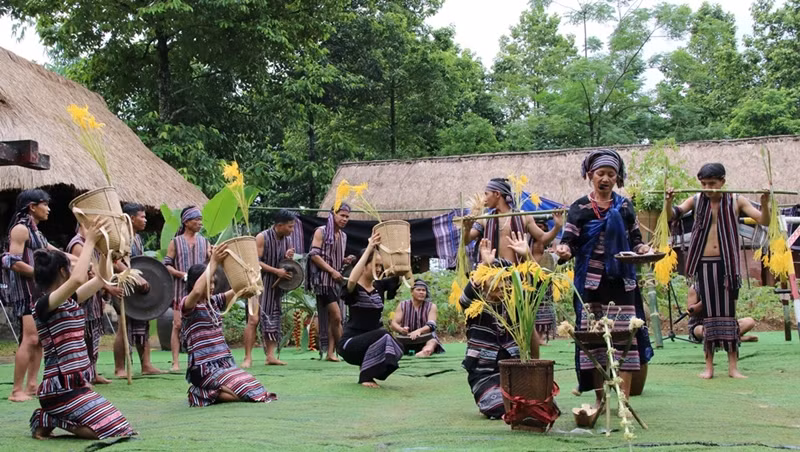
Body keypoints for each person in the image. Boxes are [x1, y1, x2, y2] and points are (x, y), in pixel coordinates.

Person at [555, 149, 649, 403]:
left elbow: (636, 239)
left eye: (611, 174)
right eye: (600, 173)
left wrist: (643, 249)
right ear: (590, 175)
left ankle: (624, 400)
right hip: (591, 285)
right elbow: (569, 242)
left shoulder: (625, 206)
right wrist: (563, 251)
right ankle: (600, 400)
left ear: (617, 178)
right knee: (594, 341)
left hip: (622, 283)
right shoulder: (580, 208)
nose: (605, 178)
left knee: (625, 339)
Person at [30, 218, 136, 440]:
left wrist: (107, 253)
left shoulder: (71, 299)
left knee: (120, 427)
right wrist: (88, 242)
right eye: (68, 267)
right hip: (58, 390)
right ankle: (49, 418)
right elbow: (78, 278)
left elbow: (102, 279)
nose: (73, 270)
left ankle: (51, 418)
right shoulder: (44, 305)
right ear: (62, 271)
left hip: (78, 385)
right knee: (109, 430)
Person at [667, 163, 769, 379]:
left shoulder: (735, 200)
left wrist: (765, 203)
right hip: (703, 263)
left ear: (722, 181)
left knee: (729, 315)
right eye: (704, 184)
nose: (708, 188)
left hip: (727, 265)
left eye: (712, 184)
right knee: (710, 316)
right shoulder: (695, 200)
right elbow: (673, 214)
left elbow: (764, 220)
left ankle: (733, 367)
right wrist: (668, 202)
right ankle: (709, 367)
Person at [179, 244, 276, 406]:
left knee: (256, 389)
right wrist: (213, 262)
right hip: (203, 369)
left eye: (213, 283)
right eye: (208, 283)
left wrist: (251, 274)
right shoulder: (188, 305)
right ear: (196, 283)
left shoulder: (215, 301)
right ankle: (198, 392)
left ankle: (207, 393)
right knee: (243, 395)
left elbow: (240, 290)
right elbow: (196, 292)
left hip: (223, 364)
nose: (211, 287)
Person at [3, 189, 75, 402]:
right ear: (32, 206)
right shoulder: (20, 229)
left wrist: (83, 261)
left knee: (40, 339)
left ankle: (33, 385)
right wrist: (40, 273)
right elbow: (11, 261)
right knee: (31, 338)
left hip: (38, 290)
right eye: (45, 204)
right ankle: (16, 390)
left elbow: (58, 254)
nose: (49, 208)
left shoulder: (38, 233)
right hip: (26, 291)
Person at [459, 236, 534, 419]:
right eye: (495, 280)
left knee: (539, 402)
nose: (501, 285)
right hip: (484, 375)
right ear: (485, 283)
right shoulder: (477, 307)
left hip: (514, 374)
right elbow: (464, 300)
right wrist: (484, 268)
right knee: (499, 405)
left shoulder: (517, 306)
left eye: (506, 281)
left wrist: (527, 258)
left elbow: (536, 288)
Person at [338, 232, 402, 388]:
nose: (379, 269)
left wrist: (401, 249)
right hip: (350, 344)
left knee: (398, 347)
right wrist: (369, 248)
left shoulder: (379, 286)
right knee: (384, 334)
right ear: (364, 265)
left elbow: (400, 274)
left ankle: (370, 369)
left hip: (372, 341)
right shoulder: (354, 288)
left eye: (380, 266)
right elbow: (352, 279)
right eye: (375, 265)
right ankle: (365, 376)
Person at [113, 203, 165, 376]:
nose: (145, 220)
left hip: (138, 288)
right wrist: (134, 277)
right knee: (123, 325)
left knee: (144, 322)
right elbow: (114, 261)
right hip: (123, 285)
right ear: (131, 218)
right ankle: (119, 368)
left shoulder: (137, 238)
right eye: (142, 217)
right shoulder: (120, 236)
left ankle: (146, 365)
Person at [463, 178, 563, 264]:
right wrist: (467, 229)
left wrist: (557, 226)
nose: (485, 199)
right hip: (492, 276)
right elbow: (466, 241)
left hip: (517, 276)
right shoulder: (484, 219)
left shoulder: (523, 217)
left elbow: (543, 238)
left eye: (487, 194)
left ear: (497, 194)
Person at [242, 209, 296, 368]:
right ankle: (247, 357)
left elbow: (283, 262)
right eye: (290, 227)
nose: (292, 230)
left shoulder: (287, 239)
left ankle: (270, 356)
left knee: (273, 318)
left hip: (275, 286)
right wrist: (275, 271)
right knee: (253, 320)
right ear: (279, 225)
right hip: (256, 283)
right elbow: (255, 261)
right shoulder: (262, 237)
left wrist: (287, 257)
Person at [164, 206, 210, 371]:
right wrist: (181, 274)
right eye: (196, 220)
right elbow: (166, 265)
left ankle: (199, 361)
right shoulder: (175, 242)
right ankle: (175, 363)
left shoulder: (205, 242)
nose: (199, 223)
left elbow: (210, 263)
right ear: (186, 222)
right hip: (180, 289)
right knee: (177, 325)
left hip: (201, 291)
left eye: (200, 219)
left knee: (199, 324)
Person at [307, 204, 355, 361]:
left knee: (336, 318)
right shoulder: (321, 231)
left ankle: (331, 353)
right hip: (322, 281)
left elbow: (333, 257)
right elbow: (314, 255)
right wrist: (331, 271)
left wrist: (344, 260)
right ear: (333, 214)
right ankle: (343, 351)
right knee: (336, 315)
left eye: (347, 216)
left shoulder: (343, 236)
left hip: (336, 281)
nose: (344, 219)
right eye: (342, 215)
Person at [67, 225, 113, 385]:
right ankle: (82, 375)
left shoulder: (92, 245)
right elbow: (87, 273)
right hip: (82, 299)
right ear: (83, 226)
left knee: (93, 338)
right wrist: (108, 288)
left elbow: (99, 272)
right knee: (83, 339)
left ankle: (92, 372)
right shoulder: (78, 245)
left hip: (93, 299)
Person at [687, 284, 758, 344]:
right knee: (700, 331)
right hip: (701, 324)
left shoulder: (725, 285)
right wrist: (706, 300)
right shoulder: (695, 288)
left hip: (721, 324)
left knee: (749, 321)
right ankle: (737, 339)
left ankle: (724, 338)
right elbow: (690, 313)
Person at [389, 279, 444, 357]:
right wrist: (401, 329)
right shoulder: (402, 305)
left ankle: (425, 351)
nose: (421, 292)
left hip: (425, 338)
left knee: (432, 341)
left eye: (423, 290)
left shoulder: (431, 306)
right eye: (418, 290)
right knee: (392, 343)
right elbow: (394, 323)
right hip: (406, 338)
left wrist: (419, 331)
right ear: (412, 292)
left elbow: (432, 324)